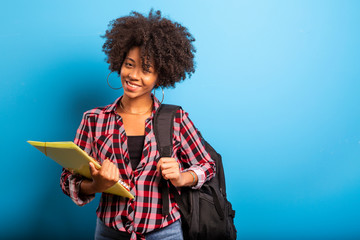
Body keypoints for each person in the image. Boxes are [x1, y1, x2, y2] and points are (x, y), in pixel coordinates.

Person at [60, 9, 215, 240]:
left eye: (146, 69)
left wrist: (182, 177)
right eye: (129, 64)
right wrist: (96, 184)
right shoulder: (93, 120)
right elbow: (67, 180)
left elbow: (207, 166)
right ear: (118, 63)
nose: (133, 75)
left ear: (160, 77)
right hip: (109, 233)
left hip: (165, 233)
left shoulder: (176, 118)